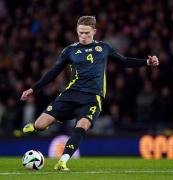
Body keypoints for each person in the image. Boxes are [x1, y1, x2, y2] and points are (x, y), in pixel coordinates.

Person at [20, 16, 159, 171]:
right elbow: (53, 73)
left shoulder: (104, 48)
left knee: (82, 126)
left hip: (92, 98)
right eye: (80, 33)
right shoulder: (69, 50)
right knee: (40, 124)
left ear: (94, 31)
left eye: (87, 33)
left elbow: (124, 62)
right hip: (71, 94)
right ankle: (39, 127)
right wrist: (32, 89)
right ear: (77, 31)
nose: (84, 36)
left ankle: (62, 161)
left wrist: (146, 62)